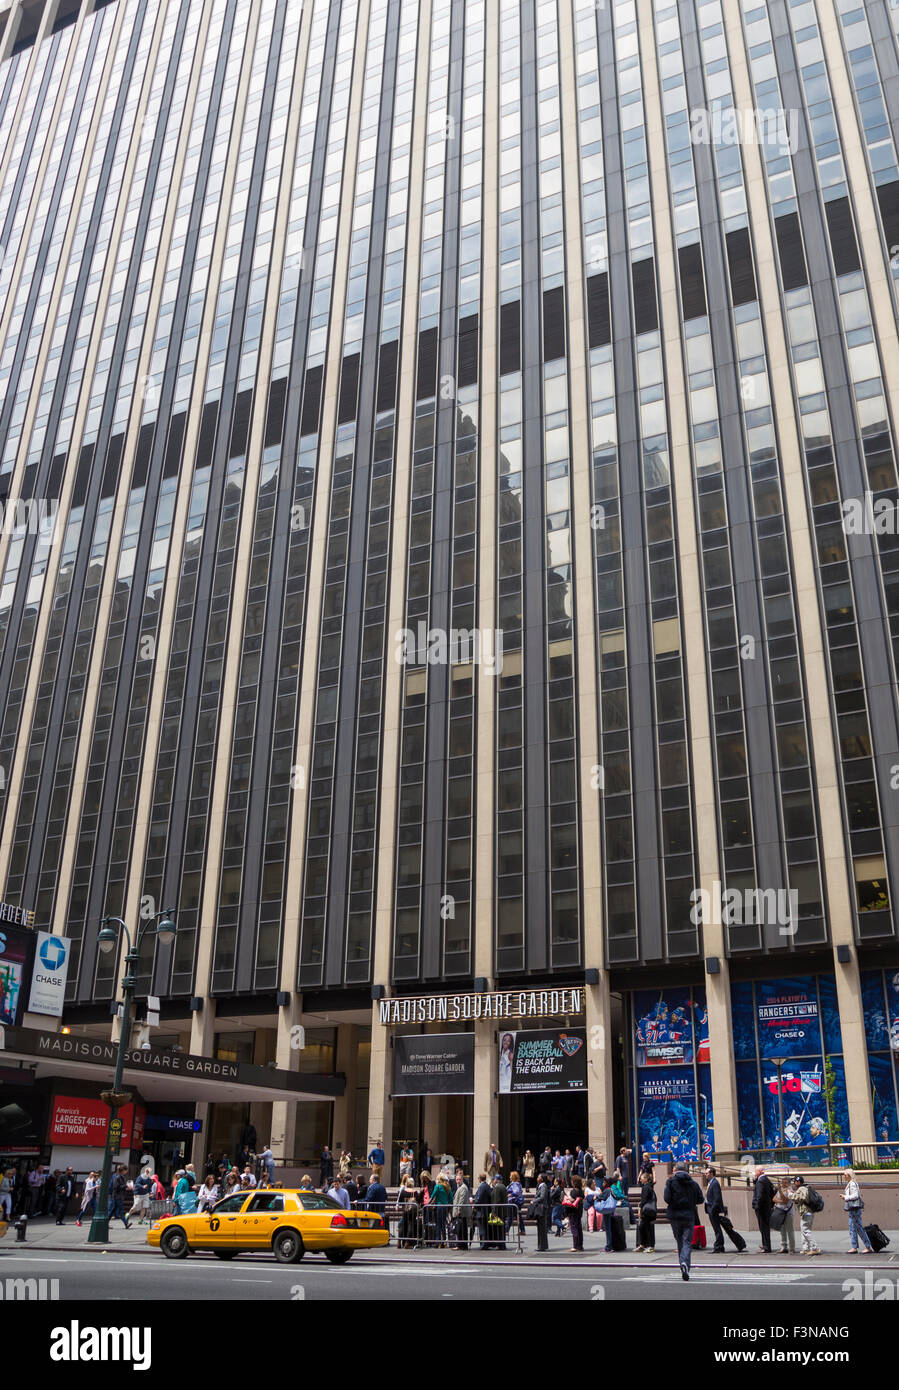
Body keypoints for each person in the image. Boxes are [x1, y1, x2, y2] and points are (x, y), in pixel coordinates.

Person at [664, 1162, 705, 1281]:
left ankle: (682, 1263)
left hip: (674, 1216)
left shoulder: (671, 1182)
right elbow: (700, 1199)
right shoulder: (693, 1184)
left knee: (679, 1241)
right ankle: (685, 1263)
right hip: (689, 1216)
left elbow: (667, 1199)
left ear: (676, 1169)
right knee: (687, 1241)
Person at [703, 1163, 745, 1253]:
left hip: (713, 1210)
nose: (705, 1175)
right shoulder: (711, 1183)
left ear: (711, 1173)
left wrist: (713, 1209)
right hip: (710, 1209)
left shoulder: (714, 1183)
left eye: (706, 1173)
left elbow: (717, 1198)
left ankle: (719, 1246)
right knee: (716, 1229)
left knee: (717, 1229)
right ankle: (719, 1245)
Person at [843, 1170, 874, 1254]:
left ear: (849, 1175)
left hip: (854, 1209)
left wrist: (845, 1197)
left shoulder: (852, 1184)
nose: (844, 1176)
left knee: (858, 1228)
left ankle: (867, 1246)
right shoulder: (850, 1183)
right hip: (852, 1209)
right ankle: (854, 1247)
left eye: (845, 1175)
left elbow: (855, 1195)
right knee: (852, 1227)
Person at [791, 1175, 820, 1257]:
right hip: (807, 1212)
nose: (794, 1183)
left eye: (795, 1181)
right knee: (804, 1230)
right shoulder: (805, 1188)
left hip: (806, 1212)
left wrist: (791, 1195)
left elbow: (803, 1198)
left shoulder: (802, 1188)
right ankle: (806, 1248)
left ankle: (815, 1248)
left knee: (806, 1231)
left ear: (798, 1182)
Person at [752, 1167, 774, 1254]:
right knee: (765, 1228)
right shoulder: (765, 1179)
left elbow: (760, 1195)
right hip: (766, 1207)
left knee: (763, 1228)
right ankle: (766, 1245)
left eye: (755, 1171)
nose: (754, 1172)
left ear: (760, 1172)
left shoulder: (761, 1181)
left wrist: (757, 1206)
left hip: (762, 1208)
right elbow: (772, 1192)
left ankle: (766, 1247)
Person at [636, 1169, 657, 1253]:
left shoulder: (646, 1187)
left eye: (642, 1178)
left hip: (646, 1211)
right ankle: (643, 1245)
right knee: (643, 1227)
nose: (640, 1179)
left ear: (646, 1179)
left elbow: (643, 1200)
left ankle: (649, 1246)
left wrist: (640, 1210)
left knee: (645, 1228)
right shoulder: (649, 1186)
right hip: (649, 1210)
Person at [774, 1176, 796, 1255]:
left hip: (788, 1213)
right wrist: (781, 1201)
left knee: (790, 1230)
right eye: (782, 1182)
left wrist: (779, 1191)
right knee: (782, 1230)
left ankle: (792, 1248)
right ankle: (783, 1247)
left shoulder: (790, 1190)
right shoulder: (782, 1190)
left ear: (789, 1183)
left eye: (785, 1182)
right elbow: (774, 1199)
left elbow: (786, 1200)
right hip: (780, 1212)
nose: (783, 1184)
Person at [429, 1172, 452, 1247]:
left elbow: (432, 1196)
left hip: (439, 1207)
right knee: (443, 1224)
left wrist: (428, 1204)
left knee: (438, 1224)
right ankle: (444, 1242)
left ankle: (438, 1242)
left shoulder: (438, 1186)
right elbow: (451, 1198)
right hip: (445, 1207)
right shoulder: (447, 1187)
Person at [397, 1175, 418, 1249]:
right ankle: (407, 1243)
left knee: (402, 1225)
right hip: (412, 1212)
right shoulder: (414, 1192)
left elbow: (399, 1202)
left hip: (404, 1211)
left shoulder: (403, 1191)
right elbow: (418, 1202)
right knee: (410, 1226)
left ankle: (399, 1242)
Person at [565, 1174, 584, 1252]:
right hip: (579, 1211)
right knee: (579, 1228)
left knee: (574, 1228)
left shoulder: (574, 1191)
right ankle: (580, 1245)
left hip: (573, 1211)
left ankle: (575, 1246)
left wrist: (568, 1196)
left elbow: (572, 1200)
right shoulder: (581, 1191)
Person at [453, 1170, 471, 1250]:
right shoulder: (460, 1187)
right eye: (456, 1180)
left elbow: (461, 1200)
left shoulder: (463, 1188)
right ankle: (461, 1245)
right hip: (461, 1213)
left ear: (462, 1180)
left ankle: (461, 1245)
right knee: (461, 1230)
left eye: (459, 1179)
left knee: (461, 1230)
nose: (458, 1181)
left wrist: (458, 1211)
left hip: (461, 1213)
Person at [472, 1172, 491, 1249]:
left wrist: (474, 1205)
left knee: (482, 1229)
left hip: (481, 1211)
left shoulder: (482, 1187)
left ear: (479, 1179)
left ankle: (483, 1245)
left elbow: (478, 1198)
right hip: (486, 1210)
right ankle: (485, 1244)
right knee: (485, 1228)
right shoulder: (487, 1186)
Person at [490, 1173, 508, 1250]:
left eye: (494, 1179)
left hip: (499, 1211)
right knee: (502, 1228)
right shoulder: (503, 1186)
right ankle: (502, 1244)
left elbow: (496, 1201)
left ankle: (500, 1244)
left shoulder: (497, 1188)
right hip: (503, 1211)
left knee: (499, 1229)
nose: (493, 1181)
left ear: (496, 1180)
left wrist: (494, 1212)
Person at [507, 1170, 525, 1236]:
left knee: (510, 1217)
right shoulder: (517, 1184)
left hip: (513, 1202)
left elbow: (516, 1192)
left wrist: (510, 1195)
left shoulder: (515, 1184)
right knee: (518, 1217)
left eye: (510, 1176)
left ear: (513, 1177)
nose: (509, 1177)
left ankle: (506, 1231)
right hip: (515, 1203)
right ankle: (522, 1230)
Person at [550, 1174, 566, 1239]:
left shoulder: (556, 1189)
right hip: (561, 1205)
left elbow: (551, 1196)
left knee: (554, 1219)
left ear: (557, 1182)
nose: (554, 1183)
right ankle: (558, 1232)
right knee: (558, 1218)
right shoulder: (561, 1188)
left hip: (557, 1205)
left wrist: (551, 1190)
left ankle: (563, 1227)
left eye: (555, 1181)